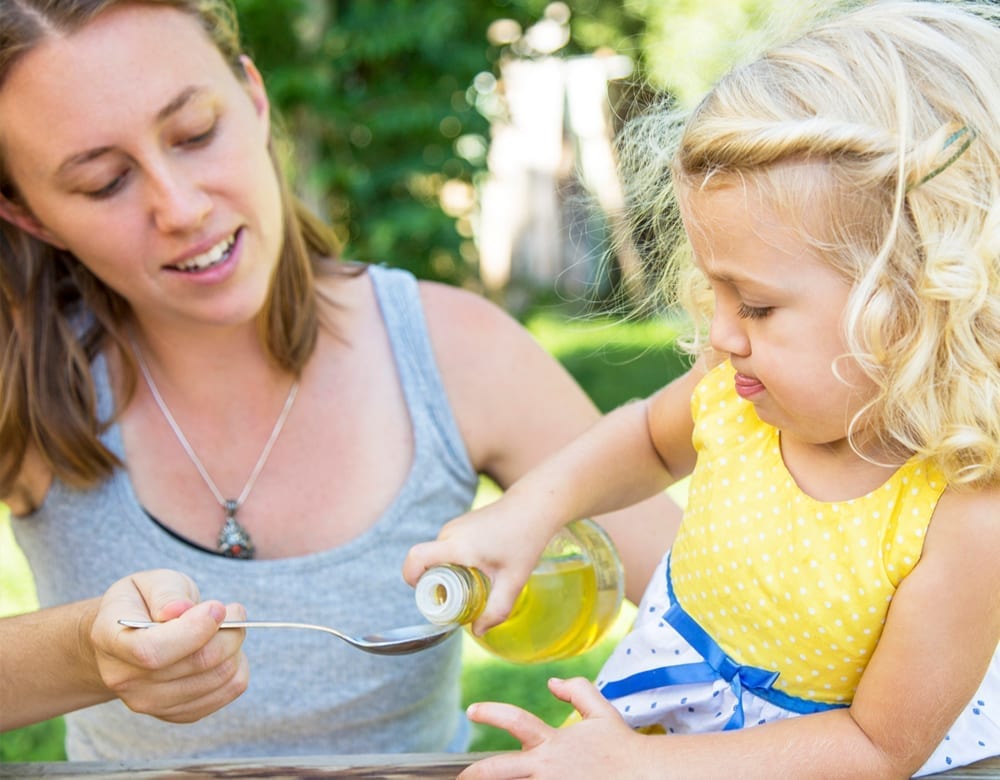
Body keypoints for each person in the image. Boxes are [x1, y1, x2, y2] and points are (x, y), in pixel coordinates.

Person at [0, 0, 683, 760]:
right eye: (102, 182)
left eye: (196, 134)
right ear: (30, 215)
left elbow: (721, 597)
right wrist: (82, 657)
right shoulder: (22, 382)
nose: (182, 207)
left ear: (254, 98)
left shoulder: (455, 352)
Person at [403, 1, 1000, 777]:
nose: (719, 335)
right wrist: (527, 511)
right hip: (669, 729)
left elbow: (875, 747)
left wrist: (636, 769)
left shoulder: (965, 512)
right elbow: (648, 439)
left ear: (916, 299)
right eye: (713, 290)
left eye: (753, 304)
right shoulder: (742, 393)